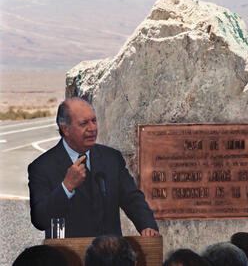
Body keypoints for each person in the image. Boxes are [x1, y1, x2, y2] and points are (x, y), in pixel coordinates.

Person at [28, 97, 159, 238]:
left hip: (111, 254)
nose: (92, 128)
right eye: (84, 123)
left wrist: (147, 225)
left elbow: (132, 198)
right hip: (67, 256)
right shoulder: (42, 167)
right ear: (65, 129)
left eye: (94, 121)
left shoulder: (111, 159)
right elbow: (40, 220)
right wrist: (66, 187)